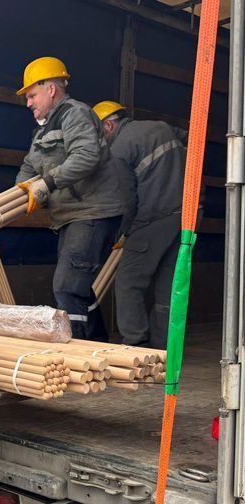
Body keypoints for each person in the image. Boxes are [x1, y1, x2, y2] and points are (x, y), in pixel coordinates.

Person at [15, 57, 127, 341]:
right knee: (79, 287)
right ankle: (99, 344)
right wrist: (17, 195)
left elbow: (86, 157)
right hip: (70, 216)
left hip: (91, 212)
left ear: (51, 88)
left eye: (32, 95)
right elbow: (30, 166)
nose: (28, 103)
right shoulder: (43, 128)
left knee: (66, 286)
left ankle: (75, 355)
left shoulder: (75, 114)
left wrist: (46, 183)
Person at [94, 101, 188, 349]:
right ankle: (163, 348)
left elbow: (127, 199)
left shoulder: (120, 149)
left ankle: (136, 343)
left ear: (109, 125)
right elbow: (189, 139)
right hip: (187, 215)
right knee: (168, 285)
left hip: (153, 217)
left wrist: (125, 231)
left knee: (128, 281)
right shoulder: (160, 127)